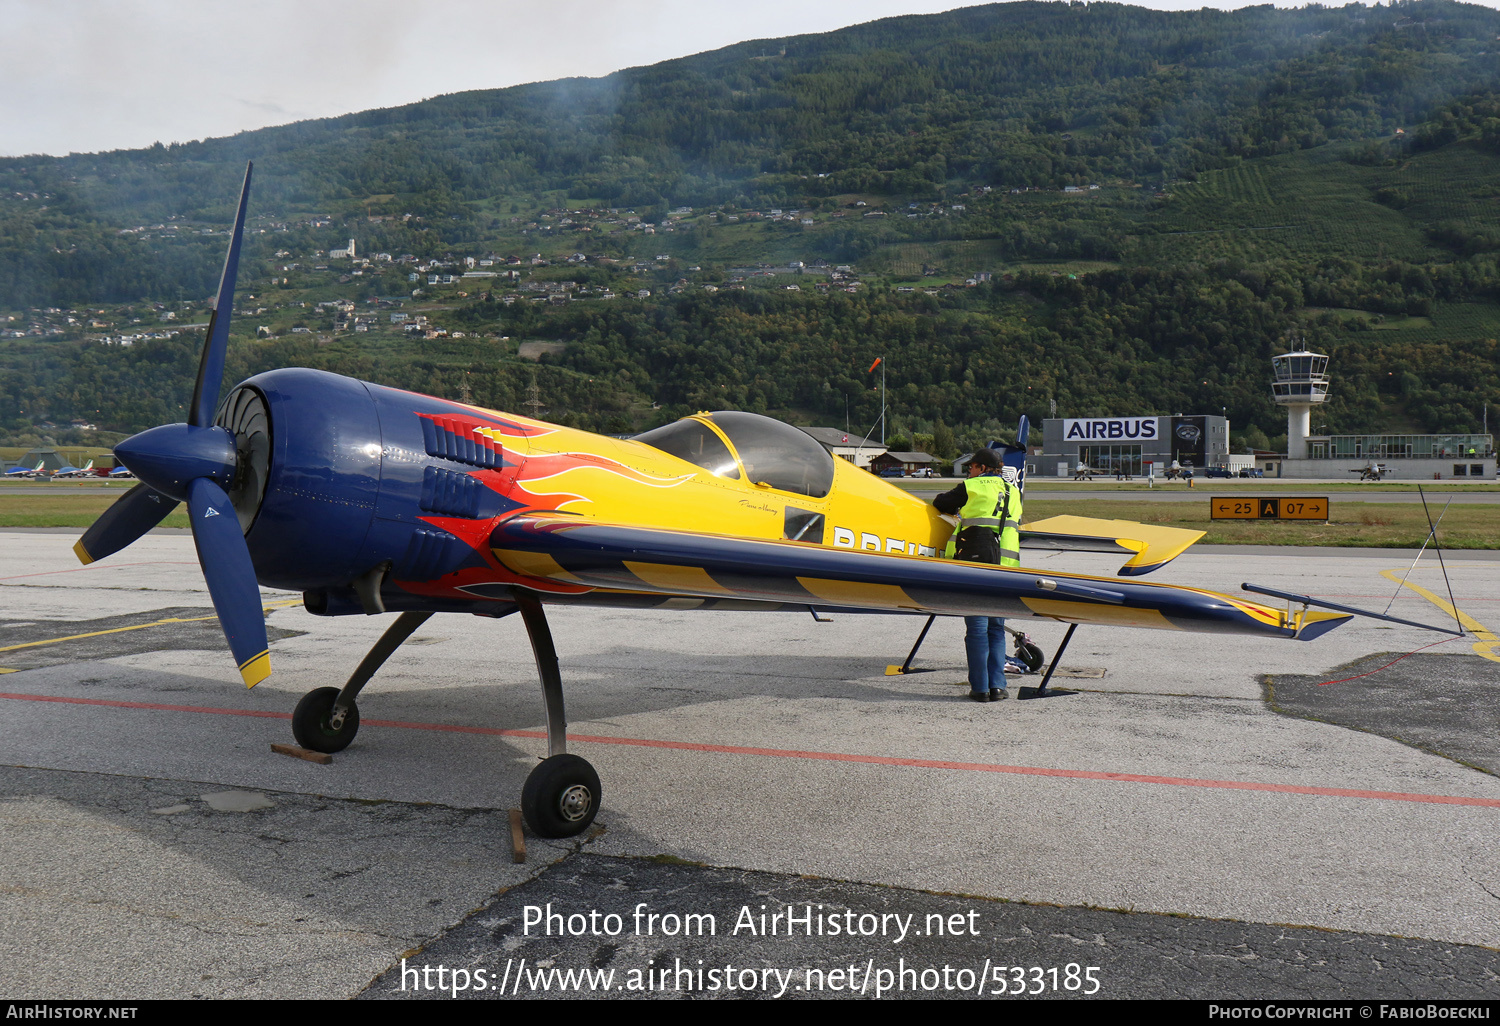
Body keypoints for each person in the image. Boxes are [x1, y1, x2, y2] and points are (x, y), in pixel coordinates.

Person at [933, 448, 1024, 702]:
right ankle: (998, 687)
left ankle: (980, 689)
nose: (969, 470)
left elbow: (941, 503)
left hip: (975, 565)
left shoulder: (971, 486)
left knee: (976, 629)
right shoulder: (1014, 491)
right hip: (1006, 567)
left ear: (982, 468)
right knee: (996, 628)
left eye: (972, 466)